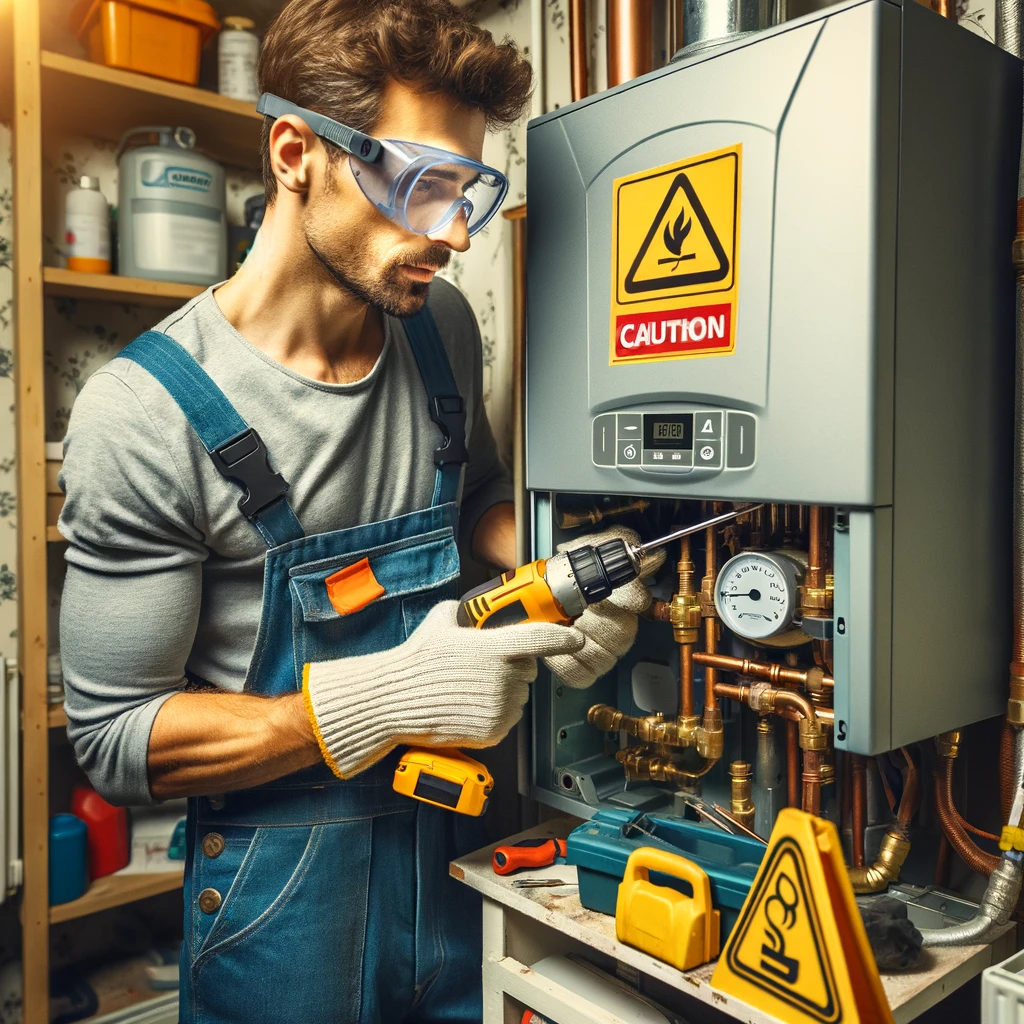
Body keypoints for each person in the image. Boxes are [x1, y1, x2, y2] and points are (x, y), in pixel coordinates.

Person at [58, 2, 658, 1021]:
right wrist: (378, 699)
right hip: (279, 895)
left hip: (462, 851)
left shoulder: (439, 330)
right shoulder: (144, 410)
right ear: (297, 153)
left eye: (467, 188)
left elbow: (467, 497)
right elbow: (118, 739)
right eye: (423, 185)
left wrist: (554, 568)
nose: (456, 233)